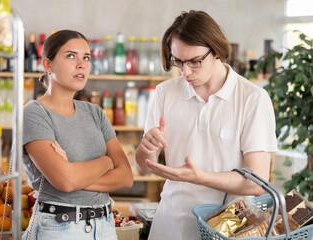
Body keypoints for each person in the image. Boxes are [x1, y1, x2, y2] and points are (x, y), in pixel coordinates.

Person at [134, 10, 278, 240]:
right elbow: (142, 168)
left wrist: (198, 177)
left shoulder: (252, 98)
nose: (186, 71)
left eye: (195, 61)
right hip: (170, 225)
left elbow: (256, 183)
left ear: (217, 50)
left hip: (227, 229)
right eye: (178, 61)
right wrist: (146, 148)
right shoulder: (165, 93)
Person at [21, 30, 133, 240]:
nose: (81, 64)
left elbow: (126, 177)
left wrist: (74, 174)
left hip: (105, 226)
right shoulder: (34, 113)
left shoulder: (95, 112)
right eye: (71, 56)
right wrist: (107, 161)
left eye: (87, 57)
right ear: (48, 64)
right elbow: (65, 181)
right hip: (58, 228)